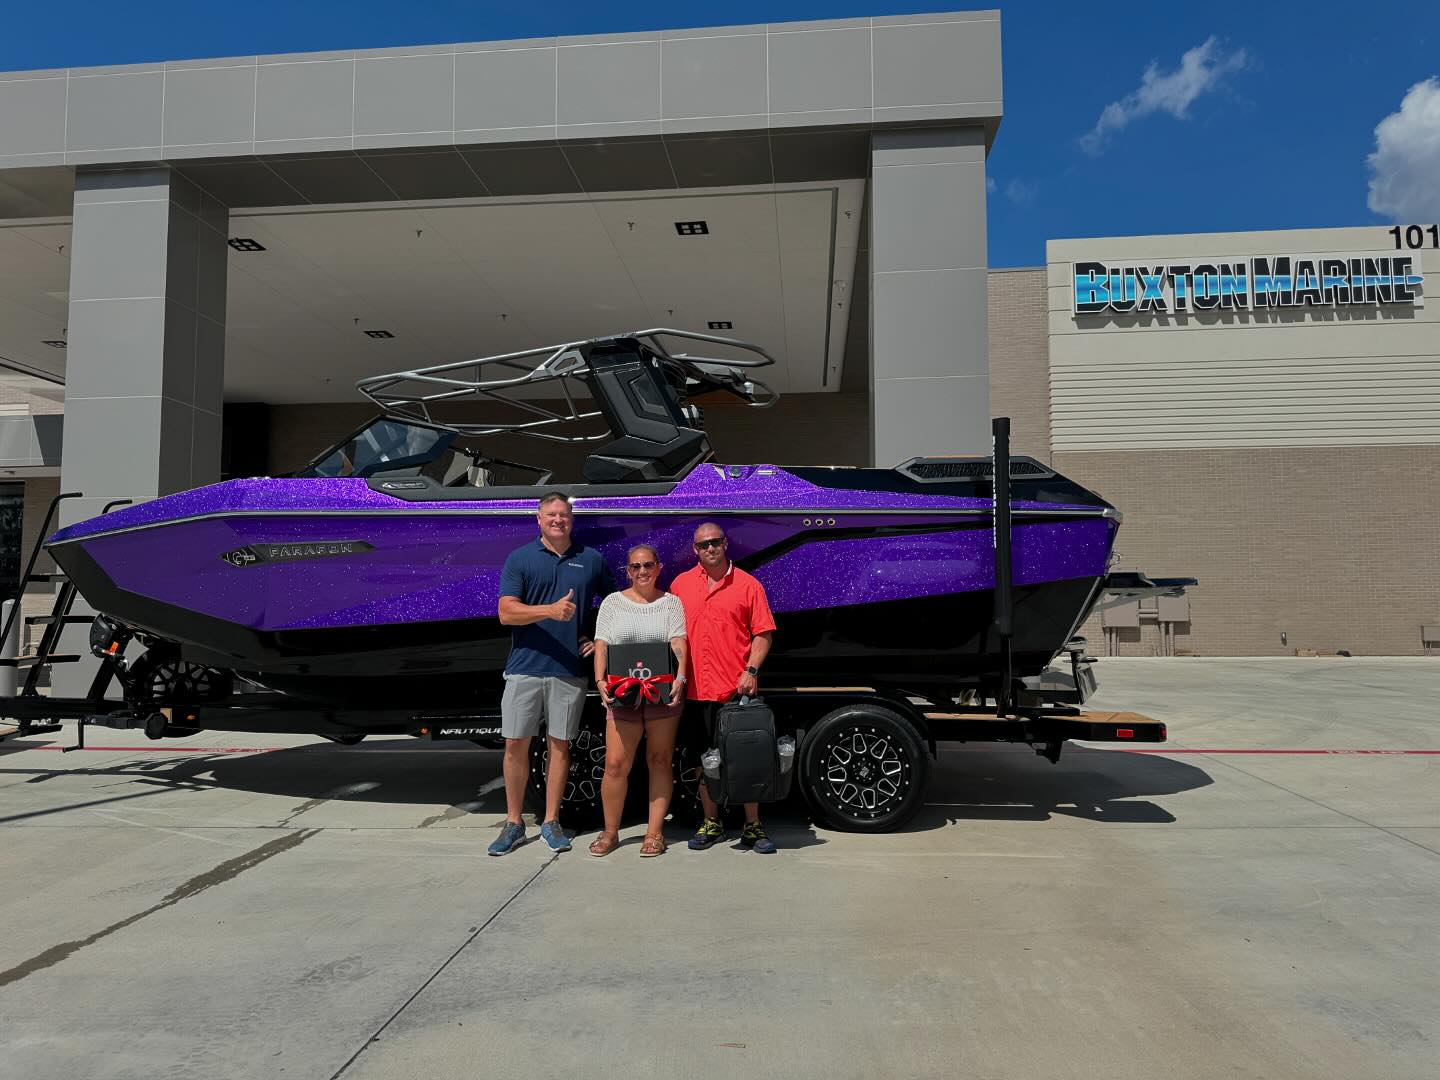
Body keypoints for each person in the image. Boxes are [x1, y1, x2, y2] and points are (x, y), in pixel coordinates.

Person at [489, 492, 616, 856]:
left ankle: (550, 821)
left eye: (564, 514)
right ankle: (513, 823)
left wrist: (599, 639)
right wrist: (549, 610)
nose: (558, 520)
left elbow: (615, 606)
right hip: (524, 668)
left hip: (569, 670)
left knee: (559, 746)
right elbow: (506, 613)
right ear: (539, 519)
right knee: (516, 745)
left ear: (571, 520)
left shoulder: (591, 559)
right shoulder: (520, 558)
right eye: (551, 515)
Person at [670, 522, 778, 854]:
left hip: (736, 690)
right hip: (696, 691)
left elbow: (763, 634)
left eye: (715, 542)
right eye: (703, 544)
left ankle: (752, 825)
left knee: (746, 759)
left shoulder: (748, 584)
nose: (710, 548)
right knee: (704, 761)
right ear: (695, 550)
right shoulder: (680, 585)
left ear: (725, 543)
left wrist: (751, 671)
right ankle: (711, 822)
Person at [587, 544, 689, 857]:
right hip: (623, 692)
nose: (642, 571)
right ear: (628, 571)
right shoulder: (612, 603)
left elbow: (678, 643)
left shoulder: (671, 603)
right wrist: (600, 681)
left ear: (658, 567)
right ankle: (610, 832)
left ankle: (655, 833)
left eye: (647, 565)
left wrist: (681, 678)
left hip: (661, 691)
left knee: (659, 760)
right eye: (635, 566)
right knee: (615, 764)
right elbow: (602, 645)